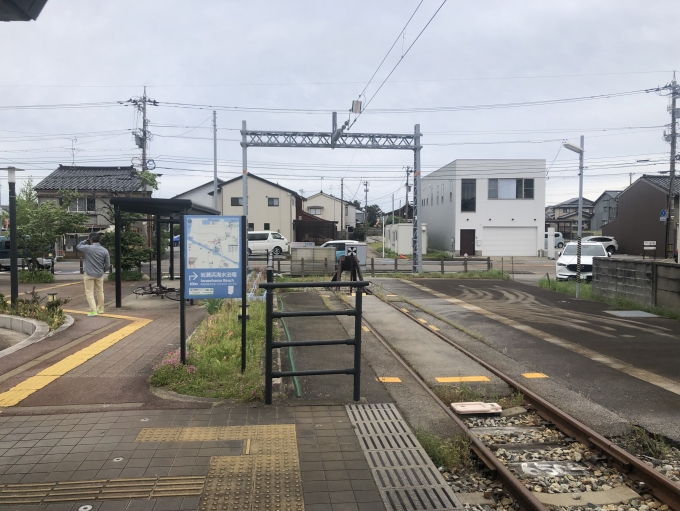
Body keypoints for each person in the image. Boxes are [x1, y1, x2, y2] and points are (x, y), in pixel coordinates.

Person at [76, 232, 110, 316]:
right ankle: (101, 308)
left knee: (89, 292)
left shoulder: (88, 248)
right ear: (99, 240)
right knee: (100, 291)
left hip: (89, 273)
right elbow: (108, 265)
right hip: (99, 274)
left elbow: (78, 246)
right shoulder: (104, 250)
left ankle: (93, 310)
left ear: (90, 240)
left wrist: (85, 240)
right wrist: (103, 271)